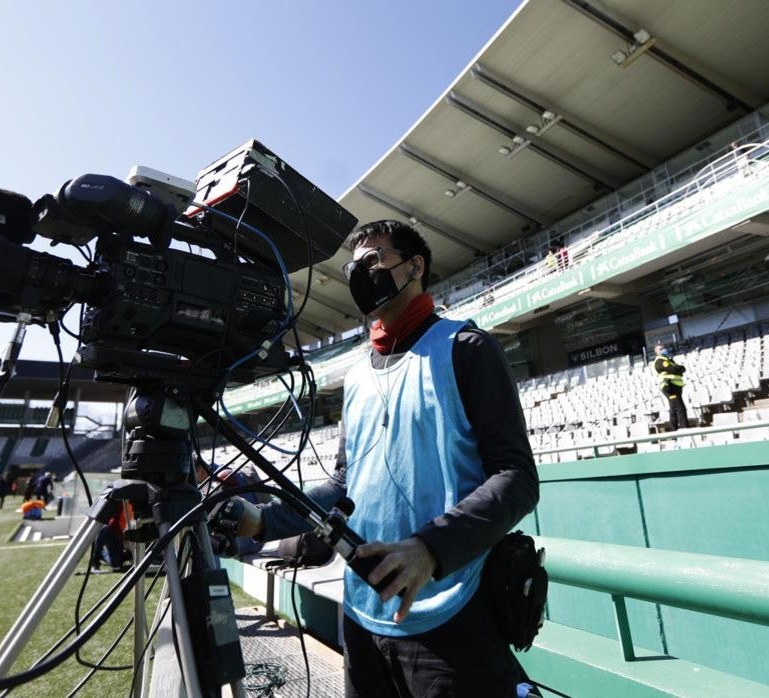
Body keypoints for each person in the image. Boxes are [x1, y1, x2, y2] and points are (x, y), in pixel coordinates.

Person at [227, 219, 540, 696]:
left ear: (415, 266)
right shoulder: (355, 375)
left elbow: (517, 477)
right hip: (361, 614)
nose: (360, 273)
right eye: (355, 265)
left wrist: (429, 549)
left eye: (375, 260)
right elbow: (344, 484)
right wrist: (263, 520)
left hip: (453, 611)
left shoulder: (467, 348)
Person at [653, 343, 689, 431]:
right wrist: (679, 369)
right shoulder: (660, 361)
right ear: (656, 352)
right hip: (669, 386)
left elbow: (681, 368)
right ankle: (684, 429)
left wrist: (679, 369)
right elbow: (674, 369)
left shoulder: (668, 360)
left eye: (664, 348)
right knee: (680, 407)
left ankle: (674, 429)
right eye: (660, 349)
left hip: (675, 386)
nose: (663, 350)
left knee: (674, 408)